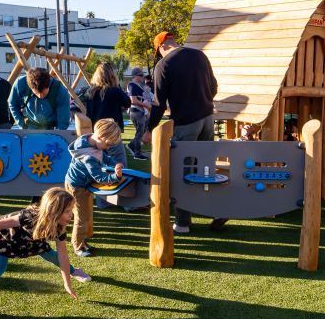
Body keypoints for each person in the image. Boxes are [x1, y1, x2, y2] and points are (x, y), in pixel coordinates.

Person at [0, 187, 89, 319]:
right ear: (54, 210)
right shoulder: (29, 216)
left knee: (50, 255)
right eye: (67, 211)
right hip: (6, 238)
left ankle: (74, 271)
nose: (71, 215)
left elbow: (63, 256)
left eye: (71, 210)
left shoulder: (59, 228)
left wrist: (67, 283)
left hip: (31, 241)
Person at [148, 31, 226, 233]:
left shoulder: (163, 65)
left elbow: (158, 103)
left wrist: (149, 129)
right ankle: (218, 209)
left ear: (161, 47)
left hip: (185, 123)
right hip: (208, 118)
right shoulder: (200, 56)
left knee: (185, 172)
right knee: (206, 169)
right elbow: (214, 87)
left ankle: (182, 223)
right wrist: (202, 100)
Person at [64, 118, 123, 257]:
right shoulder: (89, 157)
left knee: (84, 214)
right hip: (77, 187)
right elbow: (100, 178)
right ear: (100, 137)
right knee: (81, 217)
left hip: (79, 183)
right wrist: (116, 177)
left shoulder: (88, 140)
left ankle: (82, 241)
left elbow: (104, 157)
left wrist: (114, 164)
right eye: (108, 144)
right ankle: (78, 246)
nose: (109, 148)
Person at [85, 62, 131, 166]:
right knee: (120, 164)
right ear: (112, 76)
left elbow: (89, 114)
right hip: (111, 132)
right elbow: (127, 103)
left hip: (96, 134)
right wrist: (117, 85)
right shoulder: (114, 91)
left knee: (100, 164)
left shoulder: (90, 93)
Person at [126, 67, 151, 160]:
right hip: (136, 112)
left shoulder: (137, 85)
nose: (142, 77)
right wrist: (147, 106)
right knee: (140, 133)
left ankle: (132, 146)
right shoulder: (132, 85)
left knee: (142, 131)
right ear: (136, 76)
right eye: (141, 75)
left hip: (140, 111)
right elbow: (133, 100)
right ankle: (137, 153)